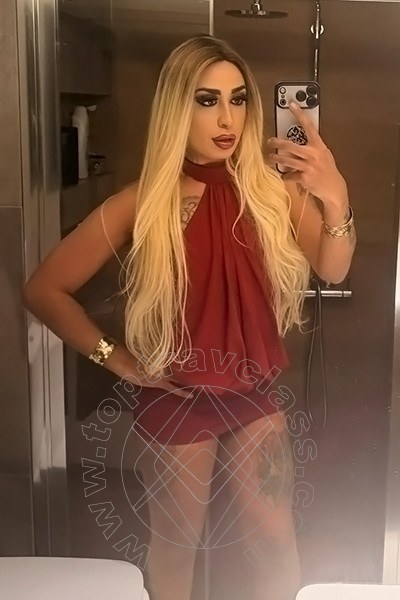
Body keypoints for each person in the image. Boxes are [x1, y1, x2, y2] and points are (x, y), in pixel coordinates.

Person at [24, 35, 356, 600]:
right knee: (176, 550)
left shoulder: (272, 193)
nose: (227, 119)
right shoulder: (143, 201)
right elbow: (44, 291)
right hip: (176, 398)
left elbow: (333, 267)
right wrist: (120, 362)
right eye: (207, 100)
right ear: (178, 107)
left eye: (238, 99)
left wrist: (336, 198)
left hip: (253, 395)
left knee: (275, 541)